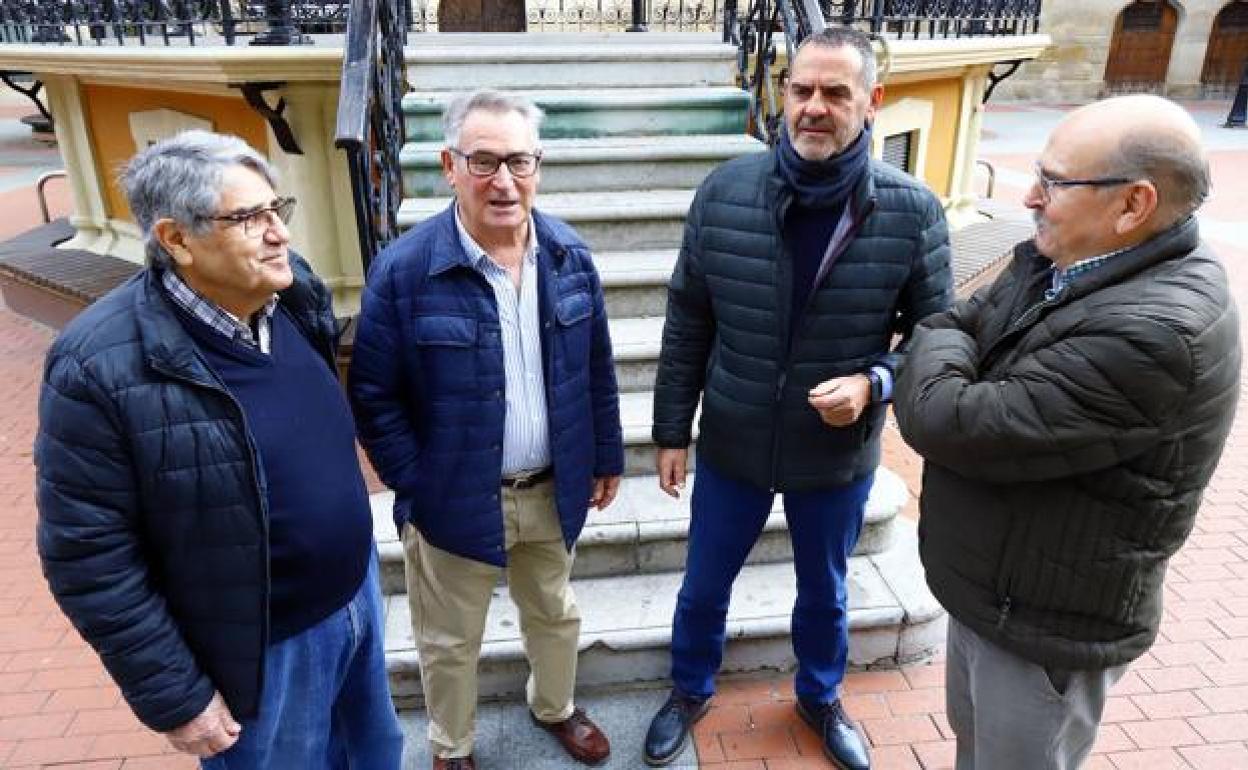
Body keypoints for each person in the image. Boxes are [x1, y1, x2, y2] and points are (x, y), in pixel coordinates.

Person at [34, 131, 403, 769]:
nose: (279, 234)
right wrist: (176, 697)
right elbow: (87, 554)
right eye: (248, 218)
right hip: (260, 655)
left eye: (275, 210)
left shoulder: (292, 294)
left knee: (374, 756)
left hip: (355, 601)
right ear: (177, 239)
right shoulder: (99, 366)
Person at [894, 95, 1241, 770]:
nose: (1029, 197)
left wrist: (940, 341)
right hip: (996, 593)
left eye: (1053, 182)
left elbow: (943, 413)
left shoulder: (1155, 332)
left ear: (1133, 204)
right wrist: (948, 338)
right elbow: (956, 323)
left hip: (1041, 627)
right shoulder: (1071, 260)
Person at [644, 26, 953, 770]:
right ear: (783, 93)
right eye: (801, 89)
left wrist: (875, 382)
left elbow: (940, 338)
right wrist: (670, 429)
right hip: (734, 437)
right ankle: (690, 687)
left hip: (834, 452)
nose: (814, 107)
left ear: (872, 103)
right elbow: (689, 317)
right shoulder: (724, 192)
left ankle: (820, 696)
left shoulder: (911, 210)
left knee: (826, 592)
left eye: (835, 93)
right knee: (704, 581)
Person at [349, 89, 624, 770]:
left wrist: (606, 455)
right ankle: (452, 748)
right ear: (449, 165)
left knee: (555, 616)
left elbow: (595, 366)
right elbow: (374, 396)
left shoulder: (569, 256)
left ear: (539, 166)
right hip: (453, 500)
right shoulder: (404, 272)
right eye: (484, 161)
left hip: (552, 488)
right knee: (448, 641)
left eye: (519, 162)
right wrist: (418, 485)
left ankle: (554, 708)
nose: (504, 181)